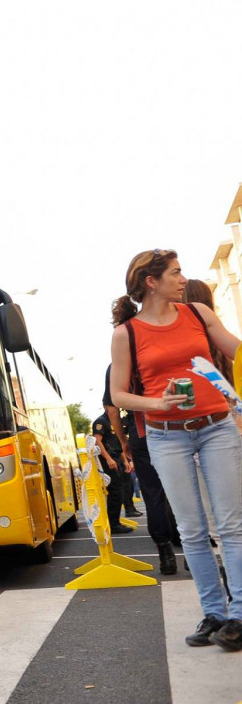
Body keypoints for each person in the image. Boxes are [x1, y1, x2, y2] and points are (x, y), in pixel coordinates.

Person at [108, 249, 242, 651]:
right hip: (166, 436)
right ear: (152, 281)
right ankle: (214, 613)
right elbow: (118, 395)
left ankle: (239, 616)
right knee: (192, 530)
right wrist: (156, 405)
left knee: (232, 525)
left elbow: (235, 350)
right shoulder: (126, 333)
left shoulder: (198, 313)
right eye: (176, 273)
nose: (184, 279)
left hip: (217, 427)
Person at [90, 412, 135, 535]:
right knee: (115, 491)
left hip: (116, 458)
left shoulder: (115, 422)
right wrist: (108, 458)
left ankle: (115, 522)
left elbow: (119, 444)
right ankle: (113, 525)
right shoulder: (100, 422)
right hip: (107, 460)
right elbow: (97, 441)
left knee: (120, 490)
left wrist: (125, 460)